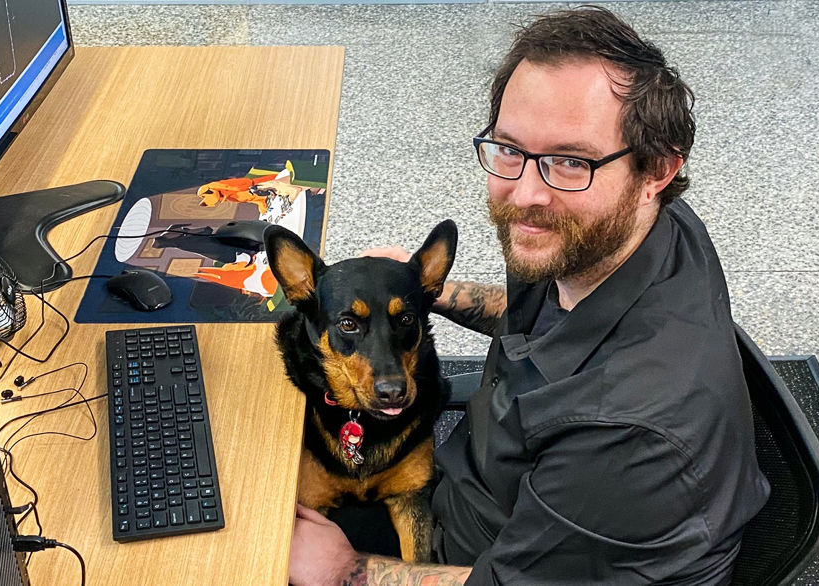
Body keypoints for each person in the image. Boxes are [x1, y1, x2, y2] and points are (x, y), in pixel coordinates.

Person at [288, 6, 770, 586]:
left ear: (656, 172)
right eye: (510, 149)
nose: (525, 194)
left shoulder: (625, 438)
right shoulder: (627, 236)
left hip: (474, 555)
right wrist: (423, 294)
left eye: (571, 161)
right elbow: (539, 316)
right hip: (492, 487)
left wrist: (343, 568)